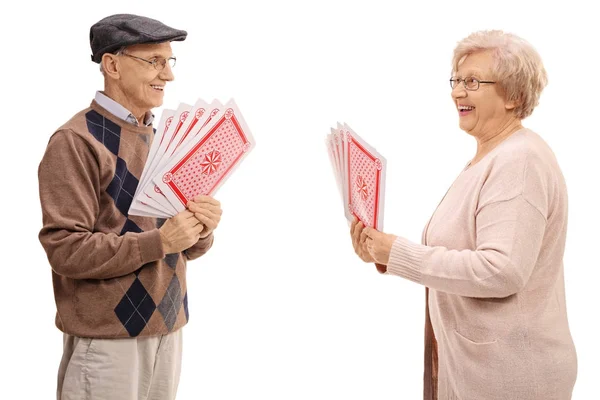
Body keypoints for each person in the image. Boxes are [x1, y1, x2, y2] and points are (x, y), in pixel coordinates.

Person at [351, 30, 577, 400]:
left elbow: (502, 270)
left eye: (473, 81)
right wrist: (382, 253)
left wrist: (398, 254)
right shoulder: (492, 157)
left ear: (514, 95)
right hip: (480, 373)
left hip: (512, 379)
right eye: (456, 80)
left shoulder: (518, 161)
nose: (457, 92)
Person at [38, 14, 222, 400]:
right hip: (108, 340)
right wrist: (159, 242)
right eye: (153, 60)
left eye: (169, 61)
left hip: (168, 328)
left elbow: (177, 244)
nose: (167, 75)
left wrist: (199, 230)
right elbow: (65, 249)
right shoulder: (74, 141)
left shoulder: (163, 138)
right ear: (112, 64)